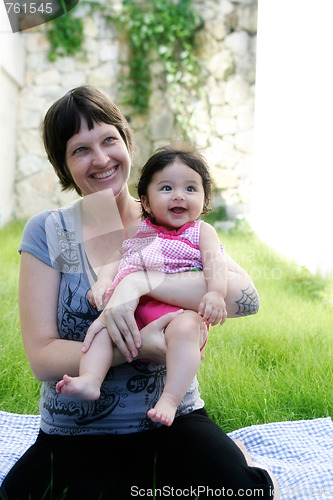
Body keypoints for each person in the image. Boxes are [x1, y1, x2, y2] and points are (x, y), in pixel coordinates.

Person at [0, 86, 278, 499]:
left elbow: (246, 299)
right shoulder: (48, 230)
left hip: (170, 420)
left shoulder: (169, 213)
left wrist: (140, 281)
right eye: (80, 149)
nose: (101, 159)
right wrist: (139, 346)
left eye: (109, 139)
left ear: (126, 140)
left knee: (240, 493)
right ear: (63, 164)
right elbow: (42, 358)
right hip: (78, 430)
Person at [56, 146, 228, 427]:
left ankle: (171, 399)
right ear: (146, 203)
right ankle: (90, 379)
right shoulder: (142, 231)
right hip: (133, 311)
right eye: (167, 188)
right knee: (101, 328)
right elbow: (118, 255)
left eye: (190, 189)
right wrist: (103, 281)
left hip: (176, 313)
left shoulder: (201, 232)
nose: (179, 195)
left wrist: (216, 292)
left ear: (204, 198)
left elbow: (215, 263)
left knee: (186, 330)